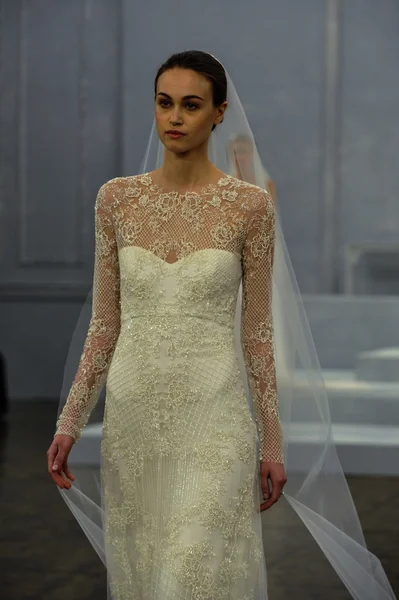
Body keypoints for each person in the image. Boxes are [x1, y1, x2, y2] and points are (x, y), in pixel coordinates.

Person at [47, 51, 396, 600]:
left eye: (191, 105)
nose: (175, 118)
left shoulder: (249, 206)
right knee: (145, 576)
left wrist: (273, 443)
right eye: (165, 103)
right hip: (134, 420)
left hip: (216, 418)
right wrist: (70, 422)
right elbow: (104, 325)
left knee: (191, 574)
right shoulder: (115, 200)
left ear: (218, 113)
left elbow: (257, 334)